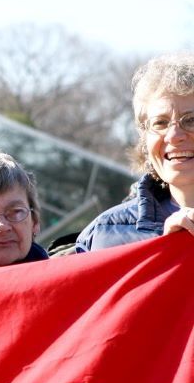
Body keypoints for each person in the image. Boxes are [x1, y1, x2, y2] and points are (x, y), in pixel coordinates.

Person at [76, 52, 194, 251]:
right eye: (160, 123)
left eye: (191, 120)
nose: (174, 136)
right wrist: (162, 255)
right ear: (144, 138)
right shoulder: (102, 237)